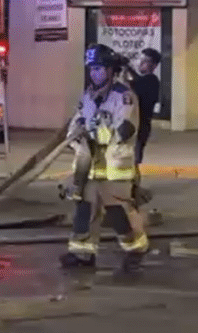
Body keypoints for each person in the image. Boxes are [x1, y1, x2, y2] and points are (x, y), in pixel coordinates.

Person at [60, 44, 148, 272]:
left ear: (110, 70)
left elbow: (125, 129)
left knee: (118, 213)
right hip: (90, 167)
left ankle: (135, 248)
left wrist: (91, 133)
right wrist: (76, 136)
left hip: (114, 166)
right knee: (84, 208)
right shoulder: (88, 96)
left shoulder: (124, 97)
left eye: (99, 68)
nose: (94, 73)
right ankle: (82, 253)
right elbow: (75, 124)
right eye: (92, 69)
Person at [127, 48, 161, 168]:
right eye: (141, 60)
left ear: (154, 65)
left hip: (141, 125)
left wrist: (127, 68)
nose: (141, 63)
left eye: (146, 61)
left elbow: (139, 84)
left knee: (134, 157)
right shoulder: (141, 81)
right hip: (133, 123)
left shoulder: (152, 81)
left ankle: (134, 181)